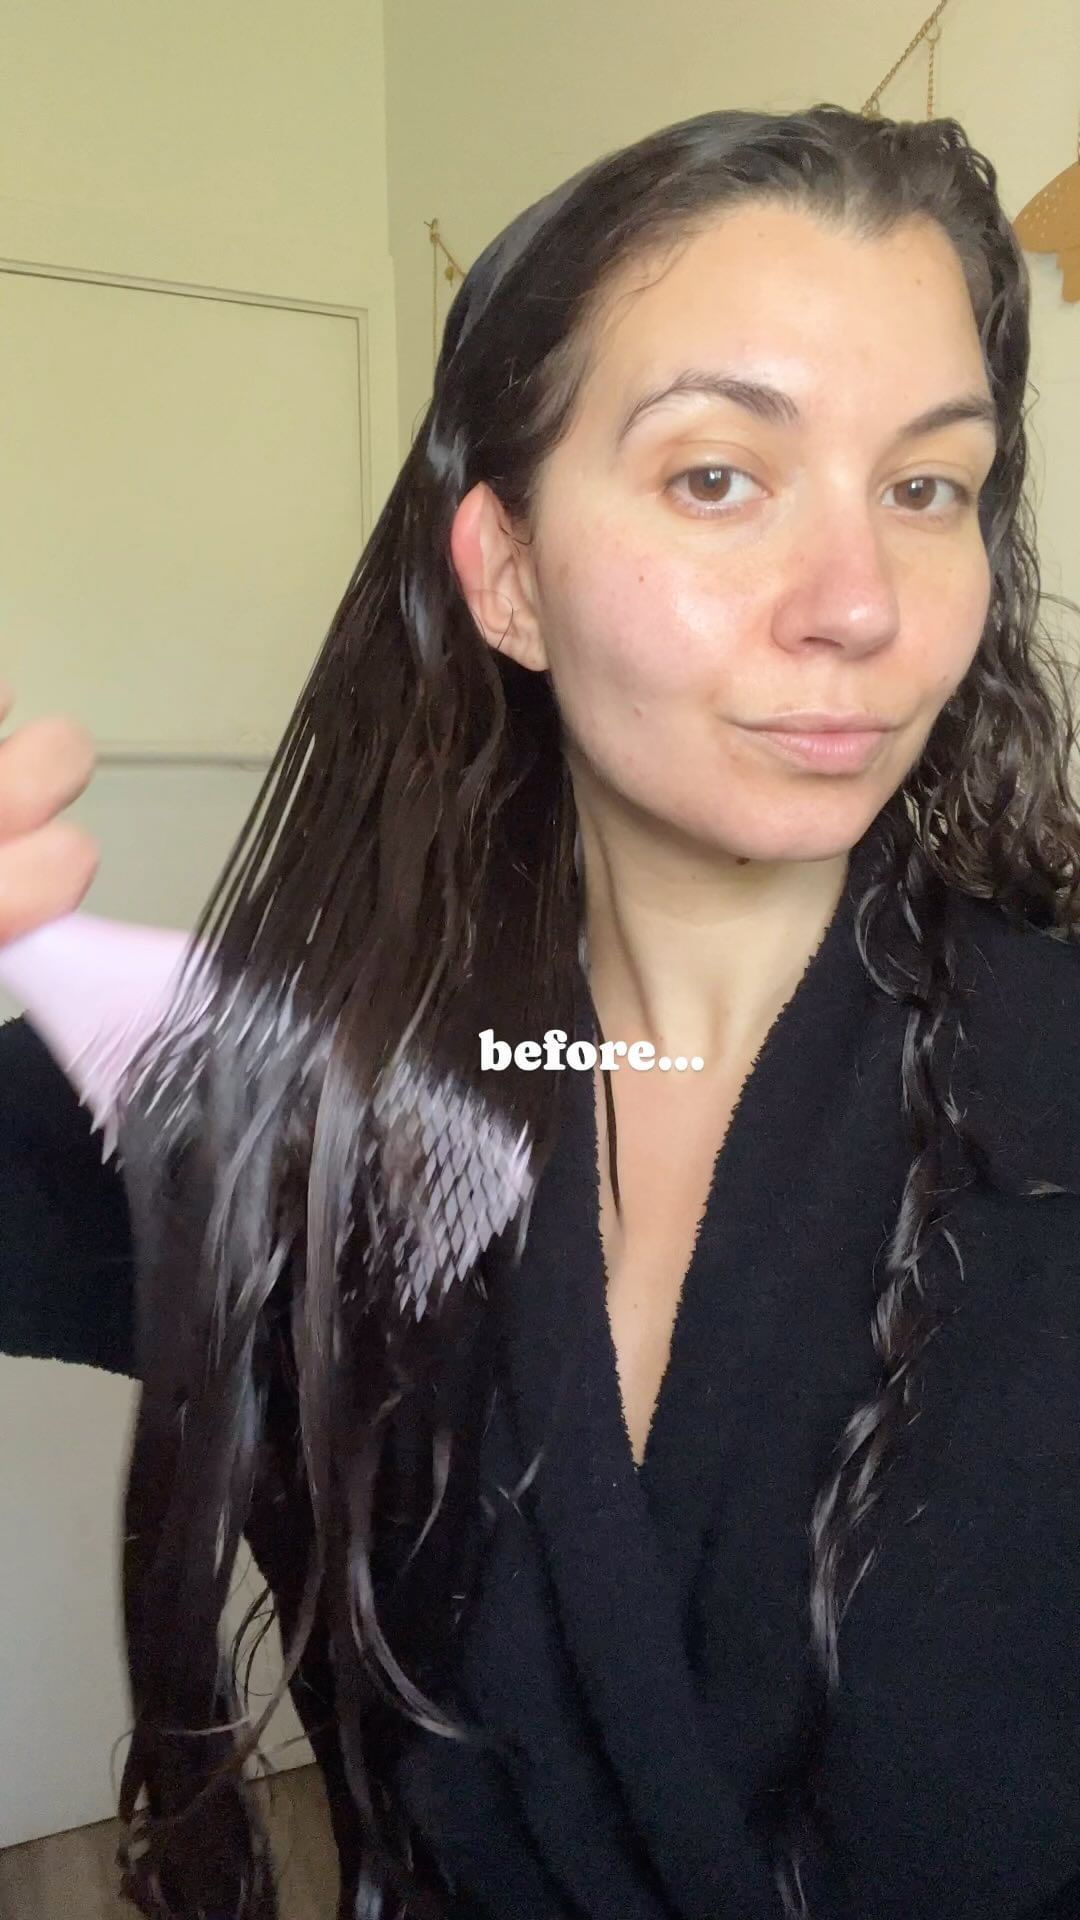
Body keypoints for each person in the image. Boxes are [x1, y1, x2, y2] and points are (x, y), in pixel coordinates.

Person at [2, 99, 1080, 1920]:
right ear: (505, 573)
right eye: (718, 476)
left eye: (928, 487)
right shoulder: (296, 1089)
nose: (859, 605)